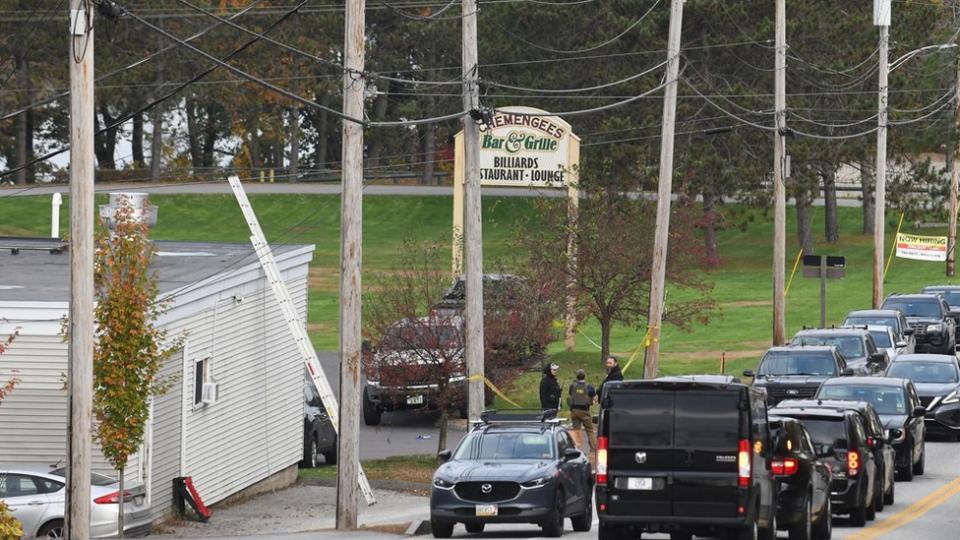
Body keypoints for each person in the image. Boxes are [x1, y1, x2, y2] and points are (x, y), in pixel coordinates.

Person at [568, 369, 597, 452]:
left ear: (577, 377)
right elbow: (595, 397)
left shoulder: (572, 386)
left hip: (574, 411)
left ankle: (577, 450)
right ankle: (593, 449)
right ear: (585, 376)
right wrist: (593, 401)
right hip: (585, 411)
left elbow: (571, 395)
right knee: (590, 430)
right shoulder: (589, 387)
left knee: (576, 430)